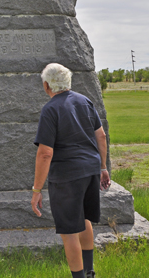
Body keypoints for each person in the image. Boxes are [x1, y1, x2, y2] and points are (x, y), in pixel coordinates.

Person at [31, 63, 111, 278]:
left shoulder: (50, 109)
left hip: (66, 177)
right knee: (84, 220)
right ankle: (90, 272)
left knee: (69, 233)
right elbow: (101, 136)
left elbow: (45, 153)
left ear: (47, 86)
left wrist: (37, 189)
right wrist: (103, 167)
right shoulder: (84, 101)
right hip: (90, 170)